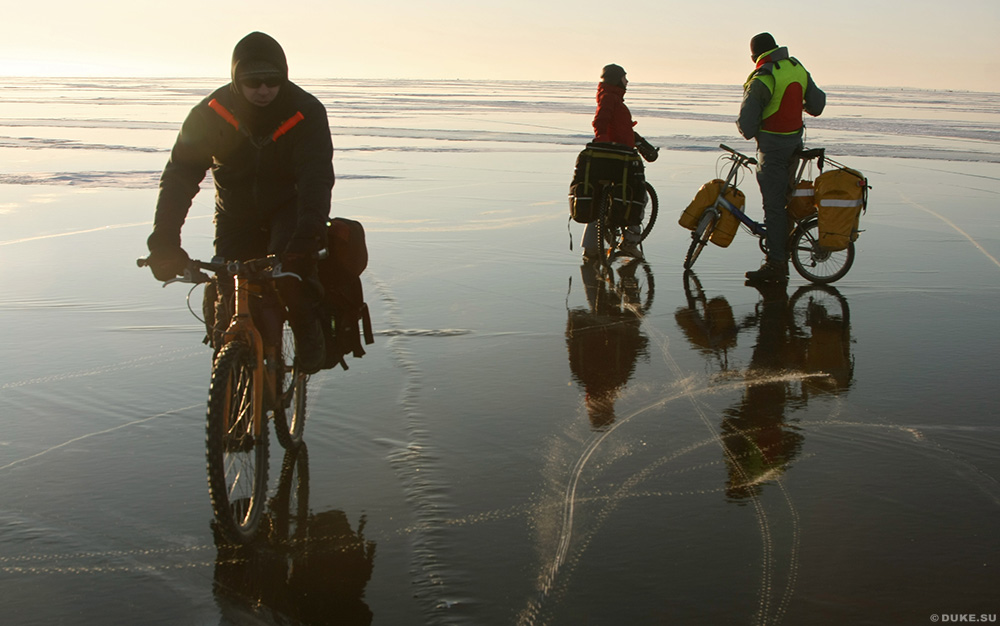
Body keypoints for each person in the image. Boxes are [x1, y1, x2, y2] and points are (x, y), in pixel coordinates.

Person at [145, 32, 335, 373]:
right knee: (224, 291)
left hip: (288, 209)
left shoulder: (306, 112)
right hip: (235, 213)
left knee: (291, 277)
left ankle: (309, 334)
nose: (263, 90)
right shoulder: (210, 113)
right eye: (252, 82)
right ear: (236, 78)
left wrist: (308, 233)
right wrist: (164, 239)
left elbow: (315, 177)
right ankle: (229, 371)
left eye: (272, 81)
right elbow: (180, 176)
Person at [737, 33, 825, 283]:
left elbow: (747, 126)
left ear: (754, 55)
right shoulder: (796, 68)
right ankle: (783, 250)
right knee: (784, 201)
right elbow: (817, 105)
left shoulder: (763, 76)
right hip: (794, 147)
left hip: (773, 151)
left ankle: (776, 264)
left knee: (774, 207)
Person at [581, 63, 647, 260]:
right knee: (637, 194)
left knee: (600, 200)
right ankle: (629, 242)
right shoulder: (610, 98)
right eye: (624, 77)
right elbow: (600, 121)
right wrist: (604, 142)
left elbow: (620, 128)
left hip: (615, 154)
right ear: (617, 79)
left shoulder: (612, 98)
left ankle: (591, 248)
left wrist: (639, 141)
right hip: (617, 158)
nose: (627, 81)